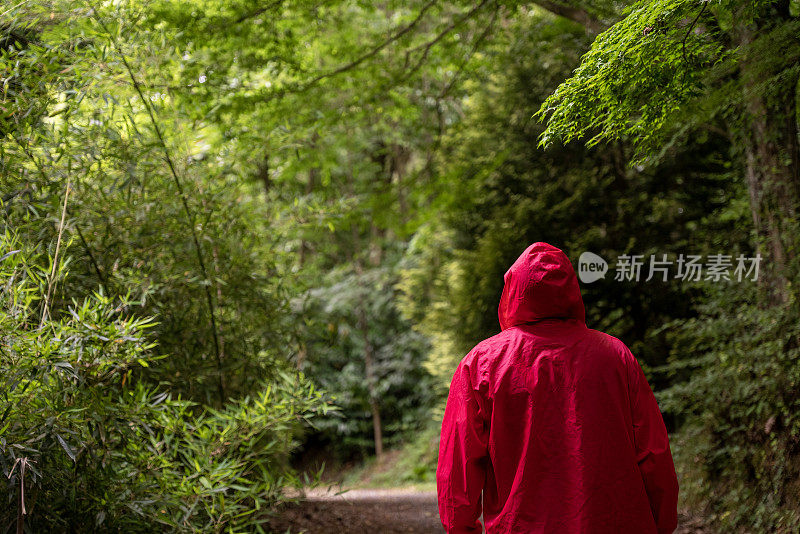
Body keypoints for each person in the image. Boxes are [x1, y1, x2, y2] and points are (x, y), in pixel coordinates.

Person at [436, 242, 679, 533]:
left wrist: (462, 529)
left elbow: (458, 472)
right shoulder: (615, 356)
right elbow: (654, 454)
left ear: (513, 290)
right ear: (571, 290)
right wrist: (661, 525)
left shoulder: (480, 365)